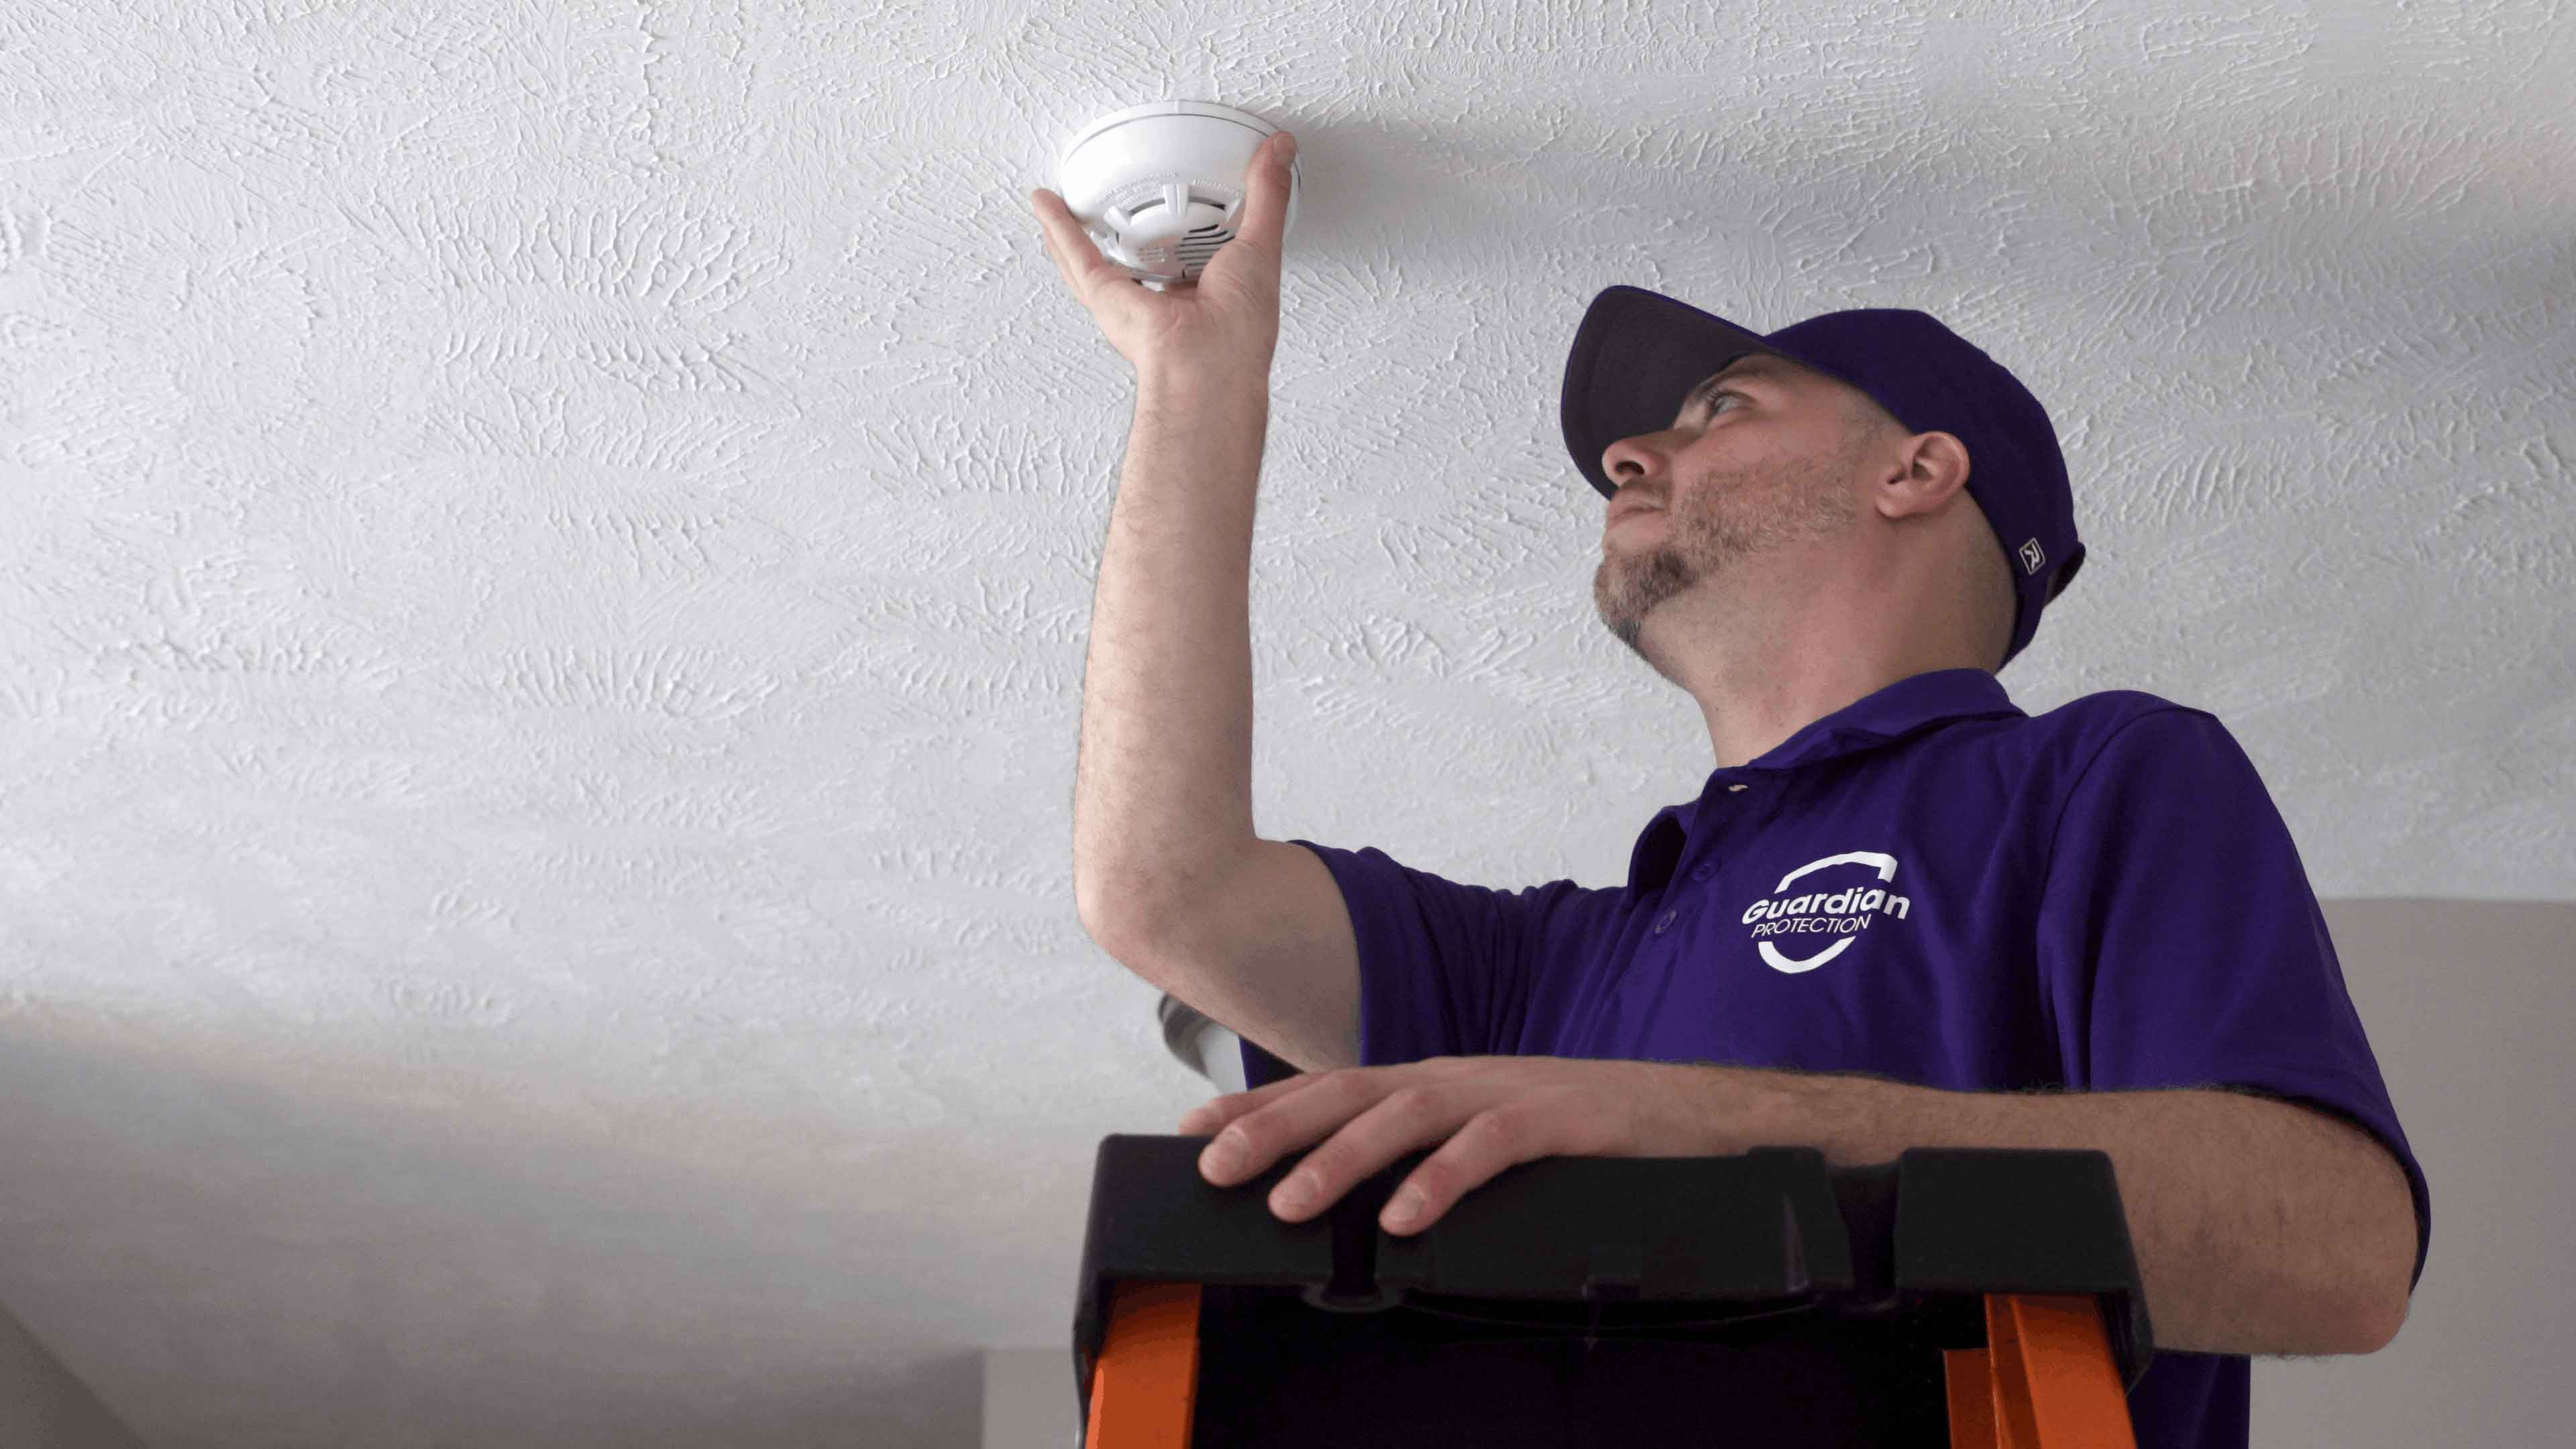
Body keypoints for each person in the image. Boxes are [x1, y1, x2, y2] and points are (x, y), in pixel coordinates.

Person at [1037, 129, 2428, 1449]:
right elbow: (1168, 892)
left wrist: (1723, 1125)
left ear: (1917, 470)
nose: (1633, 459)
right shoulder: (1558, 969)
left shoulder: (2094, 783)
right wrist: (1198, 383)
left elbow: (2339, 1248)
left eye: (1719, 410)